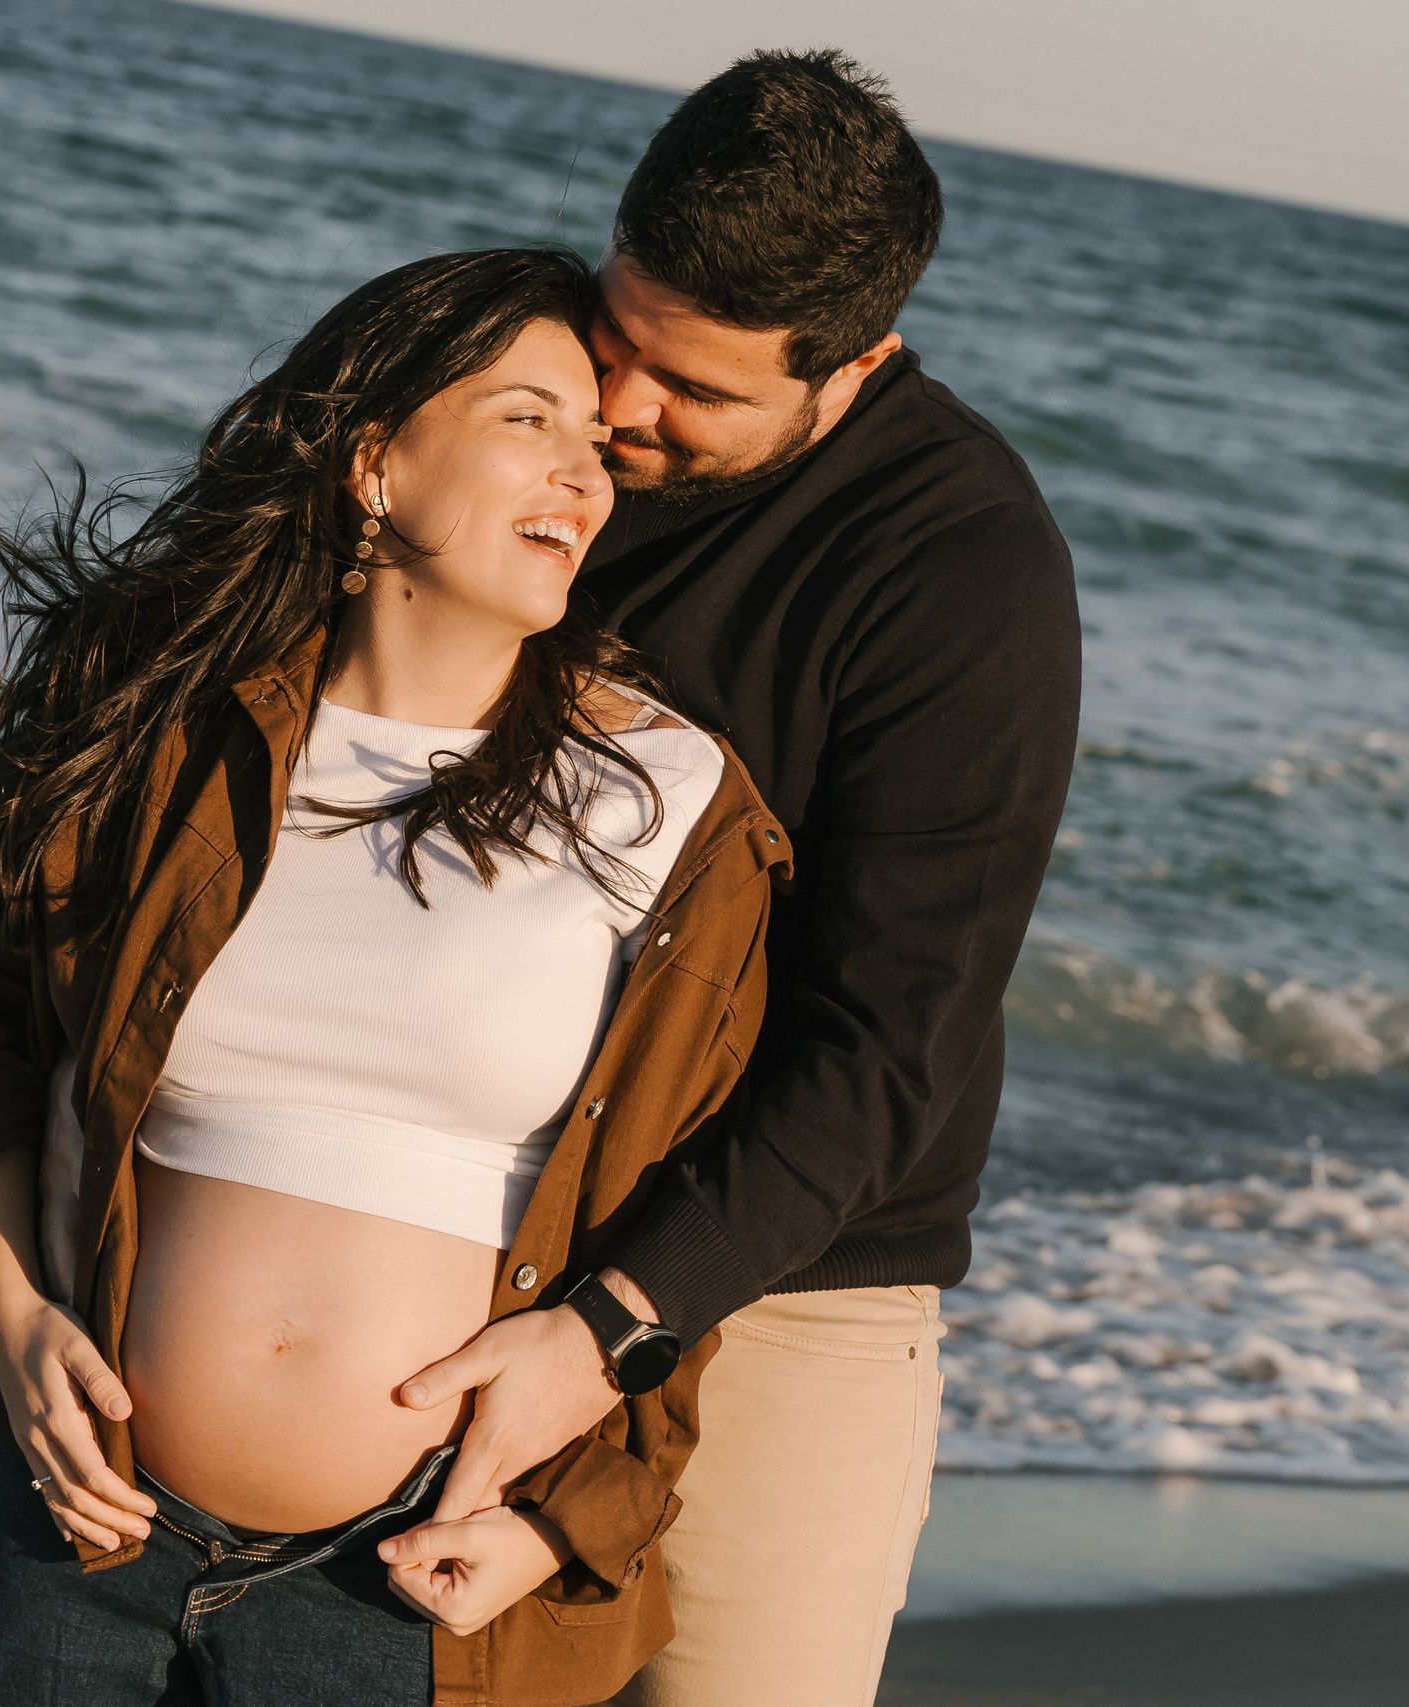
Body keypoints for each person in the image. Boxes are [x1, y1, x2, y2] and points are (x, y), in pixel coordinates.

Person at [0, 247, 790, 1706]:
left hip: (407, 1577)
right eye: (526, 421)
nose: (583, 474)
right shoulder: (167, 725)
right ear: (374, 464)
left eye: (597, 441)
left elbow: (691, 1208)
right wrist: (11, 1314)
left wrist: (557, 1528)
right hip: (76, 1526)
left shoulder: (670, 802)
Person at [383, 52, 1082, 1707]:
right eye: (623, 342)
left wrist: (611, 1324)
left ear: (856, 364)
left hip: (782, 1279)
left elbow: (889, 1050)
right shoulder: (536, 405)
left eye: (695, 391)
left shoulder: (962, 571)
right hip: (460, 1196)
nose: (620, 416)